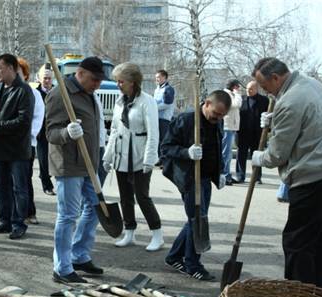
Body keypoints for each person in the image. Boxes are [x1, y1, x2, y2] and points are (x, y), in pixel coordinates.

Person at [251, 57, 322, 290]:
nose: (266, 92)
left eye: (265, 87)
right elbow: (303, 121)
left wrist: (257, 157)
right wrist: (275, 121)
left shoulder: (289, 101)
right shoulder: (309, 83)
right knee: (319, 241)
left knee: (297, 243)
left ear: (276, 78)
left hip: (311, 177)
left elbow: (276, 155)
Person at [46, 56, 105, 283]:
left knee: (97, 208)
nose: (97, 84)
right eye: (94, 80)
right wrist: (66, 133)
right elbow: (50, 133)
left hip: (90, 163)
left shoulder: (89, 94)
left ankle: (79, 254)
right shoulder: (60, 94)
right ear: (79, 73)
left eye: (100, 80)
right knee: (68, 215)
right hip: (68, 164)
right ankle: (62, 268)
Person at [162, 90, 231, 281]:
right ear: (207, 104)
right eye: (216, 114)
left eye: (222, 115)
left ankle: (174, 256)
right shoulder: (186, 120)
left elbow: (217, 148)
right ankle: (193, 264)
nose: (218, 118)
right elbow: (166, 148)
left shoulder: (218, 121)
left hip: (207, 177)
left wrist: (221, 171)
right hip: (189, 177)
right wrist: (187, 153)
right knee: (197, 220)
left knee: (195, 218)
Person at [102, 62, 163, 251]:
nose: (118, 84)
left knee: (142, 196)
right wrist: (108, 156)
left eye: (121, 81)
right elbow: (114, 130)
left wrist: (149, 159)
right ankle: (129, 232)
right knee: (125, 196)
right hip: (122, 155)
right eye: (117, 81)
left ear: (133, 82)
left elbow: (154, 133)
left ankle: (157, 234)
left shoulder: (147, 101)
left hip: (139, 155)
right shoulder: (120, 102)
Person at [0, 54, 34, 240]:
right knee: (1, 186)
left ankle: (18, 223)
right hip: (0, 149)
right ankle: (5, 221)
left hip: (17, 150)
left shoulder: (23, 91)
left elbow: (23, 121)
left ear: (12, 68)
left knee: (19, 188)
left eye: (0, 68)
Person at [17, 57, 45, 225]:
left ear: (25, 75)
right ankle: (14, 213)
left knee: (25, 179)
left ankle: (29, 212)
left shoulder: (33, 93)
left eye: (18, 72)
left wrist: (28, 136)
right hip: (9, 144)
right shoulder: (5, 90)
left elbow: (38, 118)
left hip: (27, 143)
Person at [235, 80, 268, 183]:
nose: (248, 91)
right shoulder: (242, 99)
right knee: (241, 155)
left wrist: (267, 129)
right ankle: (240, 176)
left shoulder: (264, 100)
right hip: (243, 132)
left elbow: (268, 114)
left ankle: (257, 177)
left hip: (257, 133)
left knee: (257, 155)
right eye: (247, 89)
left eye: (251, 89)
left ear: (256, 89)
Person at [36, 64, 56, 195]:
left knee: (54, 159)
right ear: (39, 79)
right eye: (45, 78)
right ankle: (47, 185)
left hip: (55, 131)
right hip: (40, 131)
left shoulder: (57, 92)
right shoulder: (36, 93)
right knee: (43, 159)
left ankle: (46, 176)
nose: (47, 81)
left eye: (49, 78)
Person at [221, 79, 242, 185]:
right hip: (227, 126)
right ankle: (225, 175)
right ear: (234, 87)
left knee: (227, 153)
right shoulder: (227, 95)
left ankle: (227, 173)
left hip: (231, 126)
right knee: (226, 152)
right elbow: (236, 104)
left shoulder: (230, 94)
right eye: (238, 87)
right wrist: (237, 93)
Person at [154, 69, 175, 161]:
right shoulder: (157, 89)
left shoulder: (168, 89)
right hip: (156, 117)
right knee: (157, 139)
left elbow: (167, 104)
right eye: (156, 77)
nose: (157, 79)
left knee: (163, 139)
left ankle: (164, 159)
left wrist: (153, 107)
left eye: (158, 77)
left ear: (165, 78)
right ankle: (159, 158)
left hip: (164, 118)